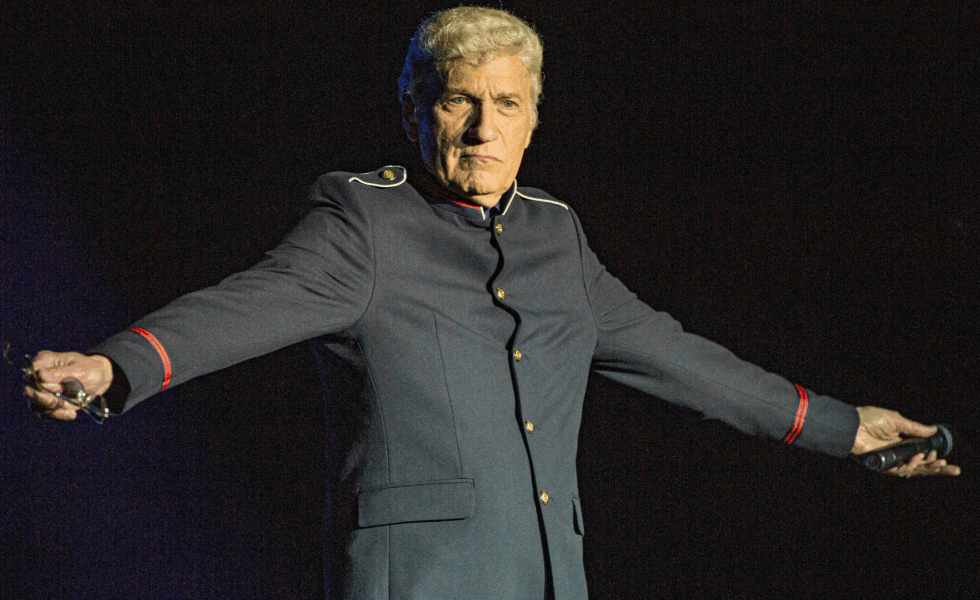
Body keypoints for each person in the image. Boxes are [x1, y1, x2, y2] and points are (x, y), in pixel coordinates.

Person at [23, 7, 960, 600]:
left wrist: (843, 427)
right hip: (417, 580)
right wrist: (115, 365)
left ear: (535, 118)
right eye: (457, 101)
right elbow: (245, 307)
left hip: (548, 576)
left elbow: (681, 360)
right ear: (412, 109)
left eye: (506, 104)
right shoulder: (364, 219)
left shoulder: (557, 234)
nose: (482, 129)